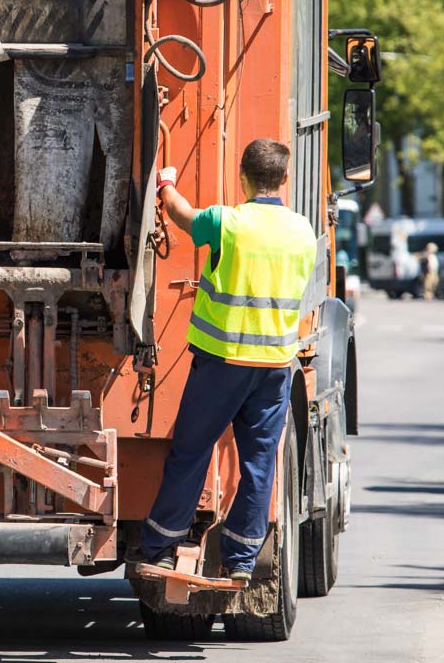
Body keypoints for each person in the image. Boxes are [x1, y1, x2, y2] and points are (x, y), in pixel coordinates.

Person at [139, 138, 317, 581]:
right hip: (275, 366)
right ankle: (239, 561)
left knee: (191, 452)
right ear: (285, 179)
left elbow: (183, 215)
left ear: (242, 177)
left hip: (223, 363)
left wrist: (165, 184)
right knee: (259, 463)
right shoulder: (303, 231)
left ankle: (161, 546)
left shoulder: (228, 223)